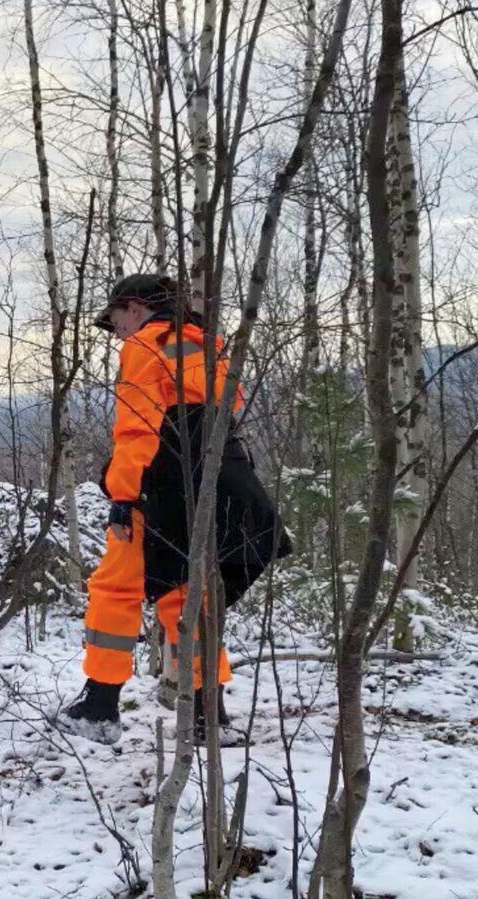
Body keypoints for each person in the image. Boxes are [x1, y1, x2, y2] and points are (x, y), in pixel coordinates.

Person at [59, 274, 291, 744]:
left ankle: (99, 709)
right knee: (189, 595)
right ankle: (210, 717)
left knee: (115, 588)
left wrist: (123, 498)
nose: (117, 332)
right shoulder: (208, 347)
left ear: (136, 308)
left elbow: (138, 430)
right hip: (219, 482)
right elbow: (226, 411)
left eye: (117, 320)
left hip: (158, 485)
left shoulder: (146, 346)